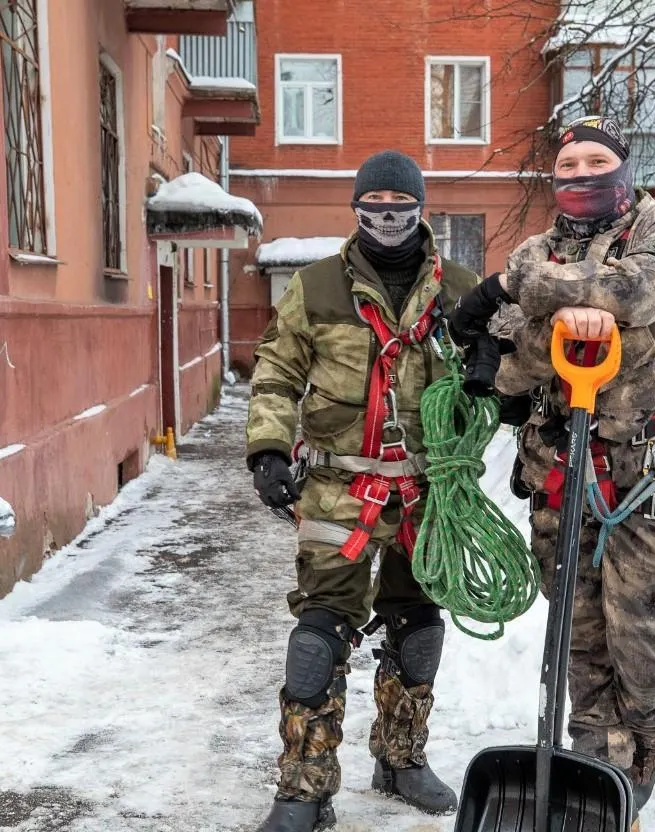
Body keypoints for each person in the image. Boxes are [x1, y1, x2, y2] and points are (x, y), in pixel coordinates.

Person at [447, 115, 655, 831]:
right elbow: (508, 356)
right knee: (580, 645)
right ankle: (599, 779)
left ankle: (639, 768)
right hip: (562, 476)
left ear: (624, 165)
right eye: (569, 164)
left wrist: (527, 290)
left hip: (644, 481)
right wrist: (549, 314)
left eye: (598, 160)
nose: (583, 174)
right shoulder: (541, 245)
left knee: (648, 648)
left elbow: (643, 293)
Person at [245, 150, 479, 832]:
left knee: (419, 628)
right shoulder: (317, 287)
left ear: (420, 211)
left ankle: (401, 758)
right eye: (372, 209)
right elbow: (276, 369)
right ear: (356, 211)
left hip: (431, 492)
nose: (386, 221)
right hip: (340, 487)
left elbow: (501, 375)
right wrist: (266, 448)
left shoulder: (460, 289)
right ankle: (303, 789)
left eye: (399, 209)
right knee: (318, 635)